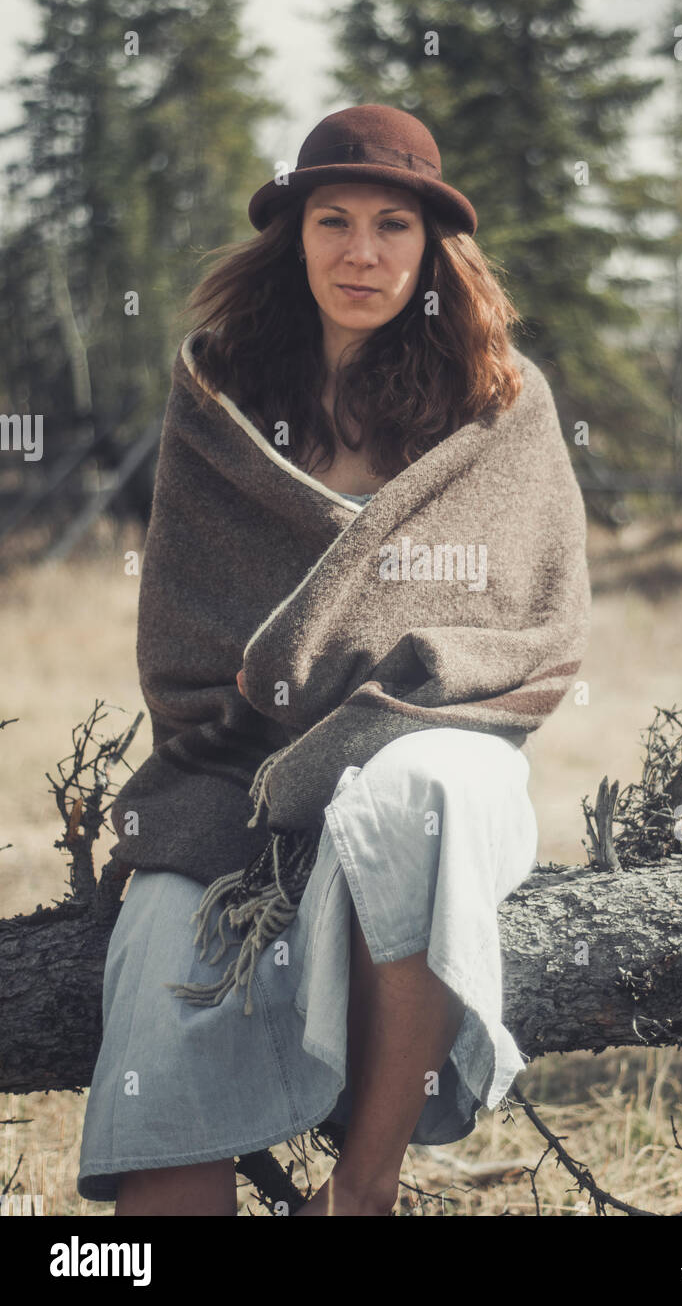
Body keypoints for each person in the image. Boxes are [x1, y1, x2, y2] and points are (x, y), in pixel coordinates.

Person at [76, 104, 589, 1217]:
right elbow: (184, 630)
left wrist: (371, 709)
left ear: (431, 247)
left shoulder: (495, 406)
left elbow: (532, 627)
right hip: (234, 774)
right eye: (333, 221)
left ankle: (362, 1189)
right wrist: (292, 724)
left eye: (391, 226)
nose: (361, 253)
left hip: (439, 740)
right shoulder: (220, 397)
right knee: (166, 939)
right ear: (293, 235)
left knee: (418, 794)